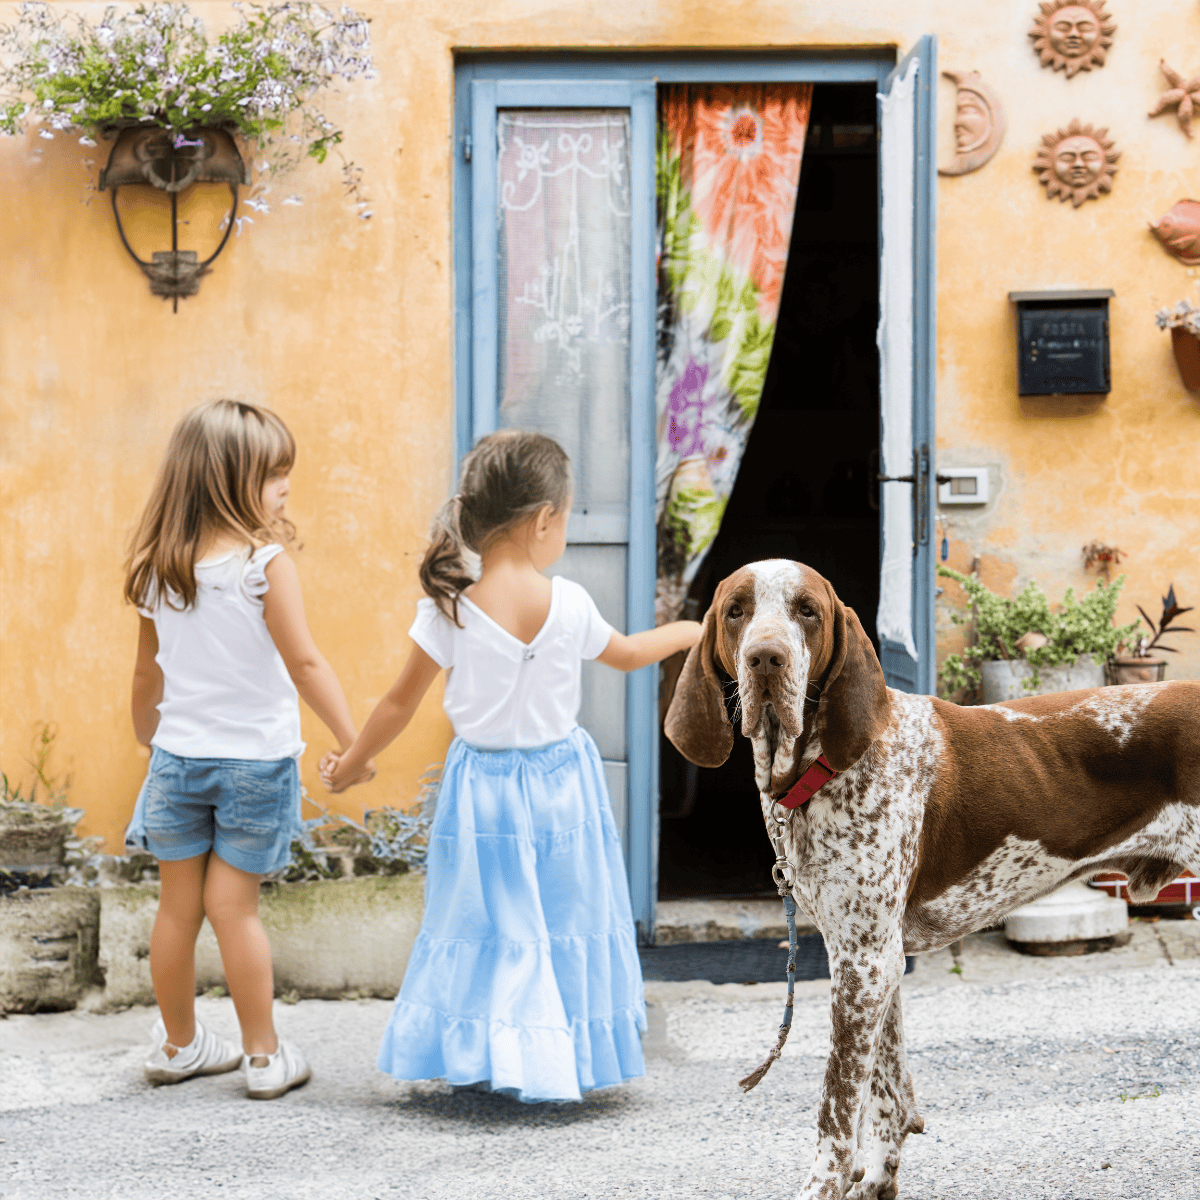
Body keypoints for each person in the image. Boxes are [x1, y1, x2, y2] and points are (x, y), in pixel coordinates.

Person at [320, 430, 702, 1102]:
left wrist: (351, 764)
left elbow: (395, 705)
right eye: (569, 516)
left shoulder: (449, 611)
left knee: (486, 923)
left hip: (482, 795)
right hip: (564, 790)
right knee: (564, 920)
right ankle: (560, 1058)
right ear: (543, 521)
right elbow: (633, 653)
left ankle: (494, 1053)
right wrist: (697, 632)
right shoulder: (572, 603)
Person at [124, 399, 367, 1099]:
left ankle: (178, 1047)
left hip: (177, 761)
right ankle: (263, 1057)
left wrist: (151, 738)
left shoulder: (154, 568)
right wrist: (354, 743)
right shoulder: (264, 565)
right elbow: (307, 665)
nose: (286, 485)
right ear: (228, 480)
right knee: (236, 910)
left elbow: (147, 676)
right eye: (273, 474)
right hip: (254, 765)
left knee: (177, 910)